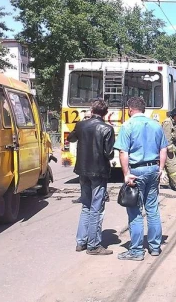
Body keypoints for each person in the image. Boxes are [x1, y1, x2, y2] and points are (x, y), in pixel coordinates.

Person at [114, 96, 168, 261]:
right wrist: (160, 169)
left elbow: (123, 152)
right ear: (144, 109)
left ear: (130, 109)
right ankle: (155, 247)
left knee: (135, 211)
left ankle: (136, 251)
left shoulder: (127, 125)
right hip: (153, 169)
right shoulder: (156, 125)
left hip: (136, 172)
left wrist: (126, 174)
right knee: (152, 209)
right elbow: (163, 149)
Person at [68, 100, 115, 255]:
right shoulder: (107, 129)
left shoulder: (81, 125)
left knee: (86, 206)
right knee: (96, 208)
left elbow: (71, 139)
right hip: (99, 172)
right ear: (106, 113)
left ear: (91, 110)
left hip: (82, 171)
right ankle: (93, 245)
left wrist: (83, 121)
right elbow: (109, 154)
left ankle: (81, 242)